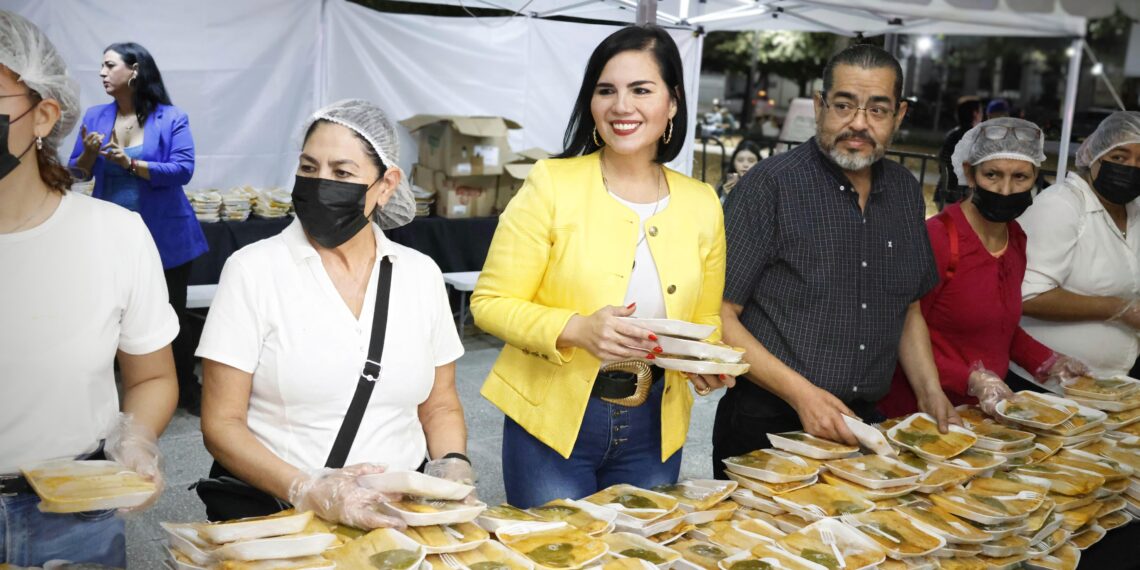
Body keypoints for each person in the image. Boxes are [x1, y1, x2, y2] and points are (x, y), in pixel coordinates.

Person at [471, 25, 729, 508]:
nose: (621, 106)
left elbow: (706, 318)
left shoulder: (702, 203)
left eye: (641, 90)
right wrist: (576, 329)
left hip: (655, 424)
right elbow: (489, 303)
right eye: (606, 90)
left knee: (639, 547)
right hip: (551, 421)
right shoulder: (552, 183)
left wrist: (705, 360)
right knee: (555, 547)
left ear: (673, 102)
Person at [196, 100, 470, 525]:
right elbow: (222, 423)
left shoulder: (419, 275)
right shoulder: (253, 270)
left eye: (342, 173)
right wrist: (307, 489)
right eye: (308, 168)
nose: (320, 184)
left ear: (386, 184)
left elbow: (440, 405)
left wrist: (452, 465)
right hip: (283, 516)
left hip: (397, 516)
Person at [716, 44, 959, 476]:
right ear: (819, 105)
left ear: (899, 115)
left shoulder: (905, 192)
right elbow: (719, 314)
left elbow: (908, 309)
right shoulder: (770, 186)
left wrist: (930, 393)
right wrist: (801, 395)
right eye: (844, 105)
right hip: (768, 422)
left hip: (865, 423)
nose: (859, 123)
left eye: (877, 110)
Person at [0, 12, 175, 566]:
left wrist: (136, 441)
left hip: (73, 512)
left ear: (43, 115)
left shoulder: (114, 235)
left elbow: (152, 375)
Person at [879, 118, 1089, 417]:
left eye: (1020, 177)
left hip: (982, 414)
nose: (1005, 189)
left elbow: (1000, 328)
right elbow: (900, 330)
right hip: (919, 412)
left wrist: (1049, 361)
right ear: (969, 173)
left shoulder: (1016, 238)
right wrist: (969, 378)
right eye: (992, 175)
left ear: (1035, 177)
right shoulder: (938, 238)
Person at [68, 42, 207, 415]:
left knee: (171, 314)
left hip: (165, 237)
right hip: (109, 236)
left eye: (109, 65)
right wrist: (89, 153)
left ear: (134, 70)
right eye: (101, 65)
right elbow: (75, 173)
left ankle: (186, 388)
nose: (101, 72)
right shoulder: (95, 116)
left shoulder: (171, 117)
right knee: (110, 314)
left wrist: (130, 164)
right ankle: (124, 387)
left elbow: (182, 170)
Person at [1017, 111, 1140, 383]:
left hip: (1112, 385)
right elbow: (1027, 296)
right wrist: (1117, 309)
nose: (1131, 169)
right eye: (1119, 158)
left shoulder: (1135, 211)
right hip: (1047, 385)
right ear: (1094, 156)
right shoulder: (1062, 205)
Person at [935, 97, 981, 209]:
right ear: (975, 114)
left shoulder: (952, 135)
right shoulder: (975, 137)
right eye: (981, 111)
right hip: (962, 197)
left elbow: (942, 164)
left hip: (943, 192)